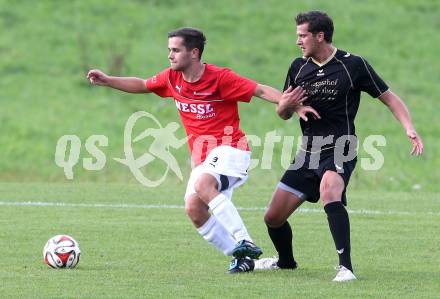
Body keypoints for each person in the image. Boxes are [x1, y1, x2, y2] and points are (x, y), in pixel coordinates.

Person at [87, 27, 317, 273]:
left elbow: (259, 89)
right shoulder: (171, 78)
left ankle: (244, 239)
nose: (170, 55)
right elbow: (143, 84)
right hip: (203, 158)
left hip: (231, 149)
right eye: (169, 50)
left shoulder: (220, 78)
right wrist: (108, 80)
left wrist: (292, 105)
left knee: (203, 184)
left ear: (194, 53)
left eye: (176, 50)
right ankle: (242, 257)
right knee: (194, 210)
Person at [255, 11, 424, 281]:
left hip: (341, 146)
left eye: (302, 35)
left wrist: (409, 127)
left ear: (319, 36)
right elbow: (284, 111)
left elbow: (389, 98)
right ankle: (285, 262)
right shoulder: (298, 67)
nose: (298, 41)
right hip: (307, 152)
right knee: (273, 217)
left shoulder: (352, 65)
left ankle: (346, 268)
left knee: (329, 190)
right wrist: (286, 106)